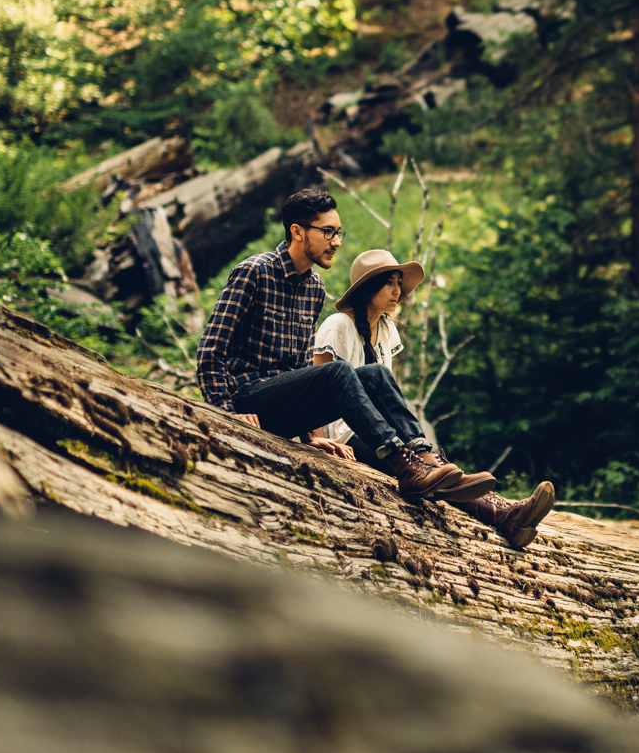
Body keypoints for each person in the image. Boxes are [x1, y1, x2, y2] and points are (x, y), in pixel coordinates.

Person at [196, 187, 491, 503]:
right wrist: (226, 413)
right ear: (297, 231)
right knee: (337, 371)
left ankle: (423, 455)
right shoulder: (254, 272)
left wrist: (310, 435)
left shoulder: (314, 288)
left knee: (376, 374)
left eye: (338, 233)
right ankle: (403, 464)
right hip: (249, 399)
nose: (336, 242)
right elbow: (211, 351)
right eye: (327, 232)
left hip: (284, 406)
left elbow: (297, 371)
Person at [313, 248, 556, 550]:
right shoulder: (338, 325)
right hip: (347, 435)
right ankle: (505, 514)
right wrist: (317, 442)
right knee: (426, 467)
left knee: (433, 471)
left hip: (384, 437)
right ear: (366, 288)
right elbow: (319, 387)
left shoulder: (387, 330)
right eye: (388, 282)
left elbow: (389, 398)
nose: (397, 290)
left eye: (399, 283)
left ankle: (504, 513)